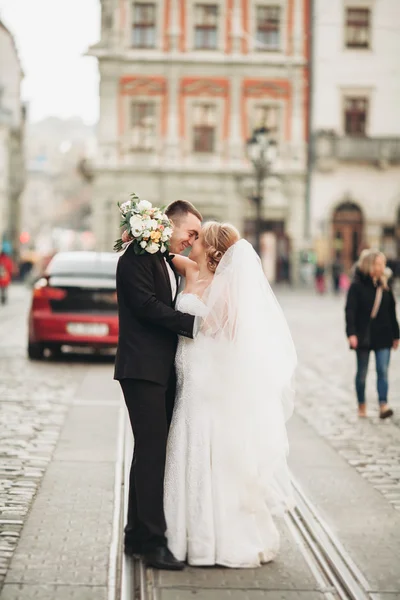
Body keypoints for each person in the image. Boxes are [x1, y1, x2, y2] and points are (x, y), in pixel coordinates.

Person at [164, 222, 297, 568]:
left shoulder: (229, 290)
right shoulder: (192, 270)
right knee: (189, 447)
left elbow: (229, 332)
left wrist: (208, 315)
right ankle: (186, 536)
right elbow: (165, 254)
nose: (191, 242)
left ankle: (216, 540)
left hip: (207, 380)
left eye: (198, 238)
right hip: (188, 377)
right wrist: (147, 234)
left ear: (211, 248)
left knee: (211, 450)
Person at [114, 200, 202, 570]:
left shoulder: (163, 259)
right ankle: (152, 543)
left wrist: (180, 263)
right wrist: (191, 324)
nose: (192, 241)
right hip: (141, 369)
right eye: (190, 233)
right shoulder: (136, 256)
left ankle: (136, 535)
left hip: (158, 370)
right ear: (171, 225)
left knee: (148, 453)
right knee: (153, 454)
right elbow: (146, 305)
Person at [345, 249, 399, 419]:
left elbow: (392, 312)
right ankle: (362, 404)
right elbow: (350, 311)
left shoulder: (385, 286)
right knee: (362, 373)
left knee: (382, 370)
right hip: (363, 336)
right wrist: (351, 333)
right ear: (368, 265)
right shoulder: (356, 286)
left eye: (383, 264)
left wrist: (396, 335)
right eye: (378, 264)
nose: (382, 267)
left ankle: (383, 404)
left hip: (383, 335)